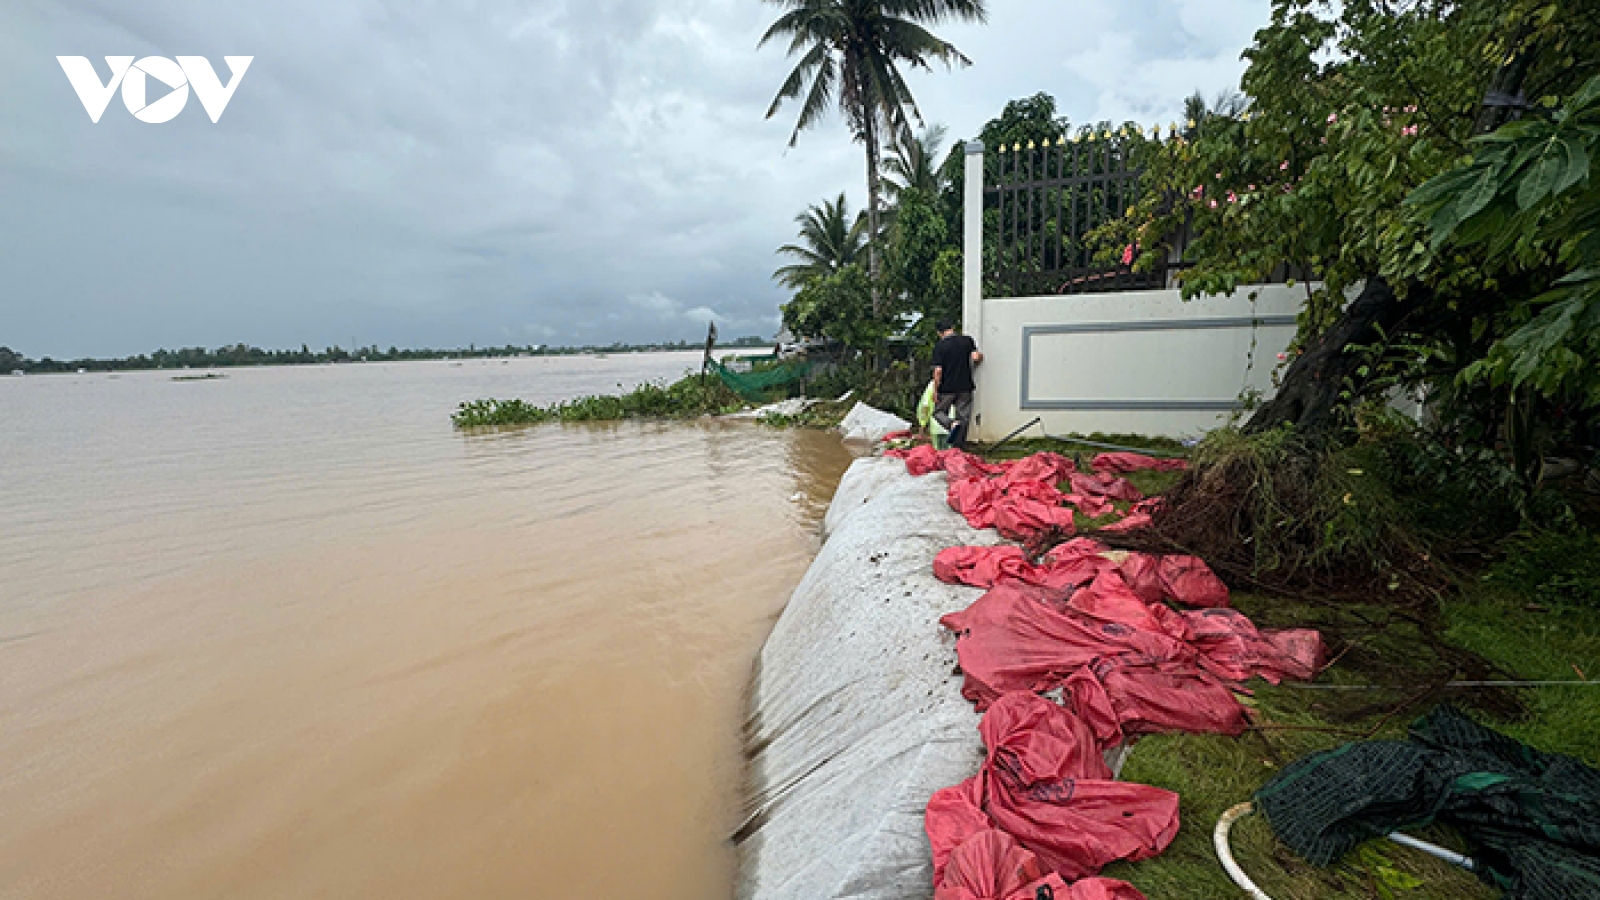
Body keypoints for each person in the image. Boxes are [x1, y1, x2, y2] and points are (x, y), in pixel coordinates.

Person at [930, 321, 981, 448]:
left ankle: (951, 424)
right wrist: (980, 357)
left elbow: (938, 371)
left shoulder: (940, 346)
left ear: (939, 333)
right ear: (952, 328)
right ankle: (959, 447)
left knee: (938, 412)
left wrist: (935, 390)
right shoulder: (967, 341)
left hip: (947, 388)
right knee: (963, 417)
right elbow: (975, 357)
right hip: (965, 386)